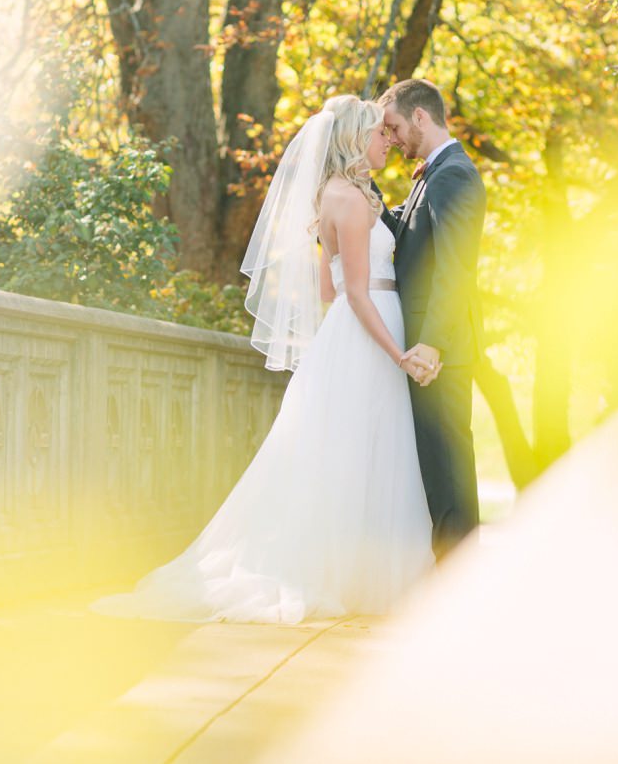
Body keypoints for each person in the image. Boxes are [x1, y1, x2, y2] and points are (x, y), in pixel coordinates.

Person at [92, 95, 434, 624]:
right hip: (371, 334)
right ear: (353, 139)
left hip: (349, 334)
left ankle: (348, 571)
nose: (386, 139)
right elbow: (359, 295)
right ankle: (363, 576)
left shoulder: (335, 197)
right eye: (377, 133)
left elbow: (328, 289)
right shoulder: (354, 200)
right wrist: (399, 355)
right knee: (367, 453)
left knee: (343, 455)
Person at [377, 79, 487, 559]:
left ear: (420, 117)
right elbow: (403, 229)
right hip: (426, 345)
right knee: (434, 467)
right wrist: (357, 190)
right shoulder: (431, 174)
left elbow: (454, 268)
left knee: (448, 469)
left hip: (438, 349)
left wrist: (434, 344)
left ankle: (458, 584)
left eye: (396, 127)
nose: (394, 138)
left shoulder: (454, 175)